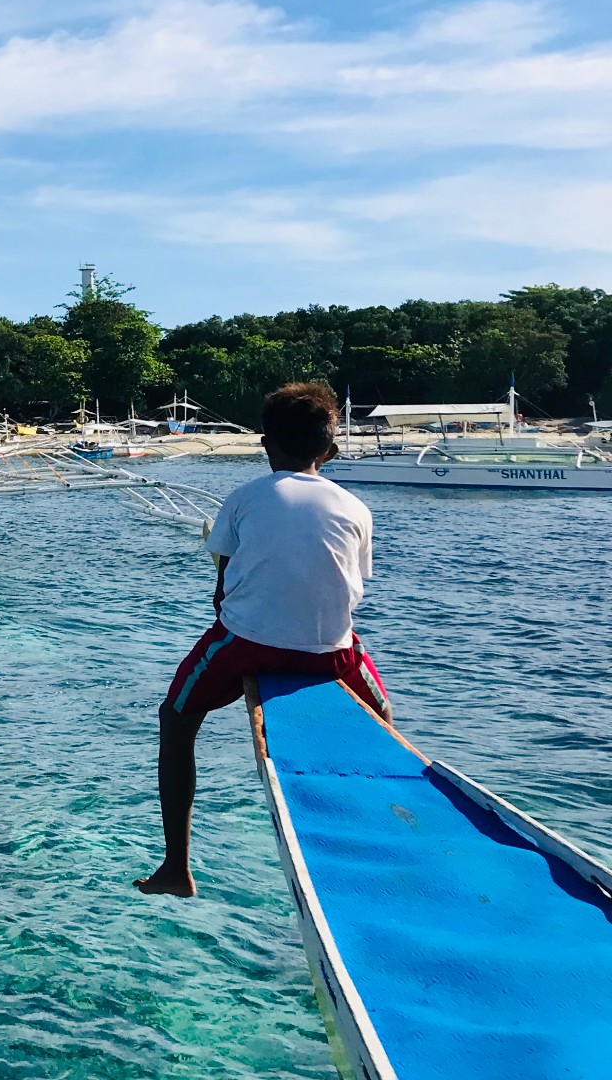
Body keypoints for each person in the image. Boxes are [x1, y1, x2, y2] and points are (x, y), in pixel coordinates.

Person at [135, 381, 388, 899]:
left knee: (176, 718)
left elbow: (222, 590)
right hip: (332, 652)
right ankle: (375, 839)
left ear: (265, 445)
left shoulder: (245, 498)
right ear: (331, 451)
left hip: (246, 645)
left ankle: (175, 867)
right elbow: (349, 588)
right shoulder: (356, 507)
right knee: (382, 719)